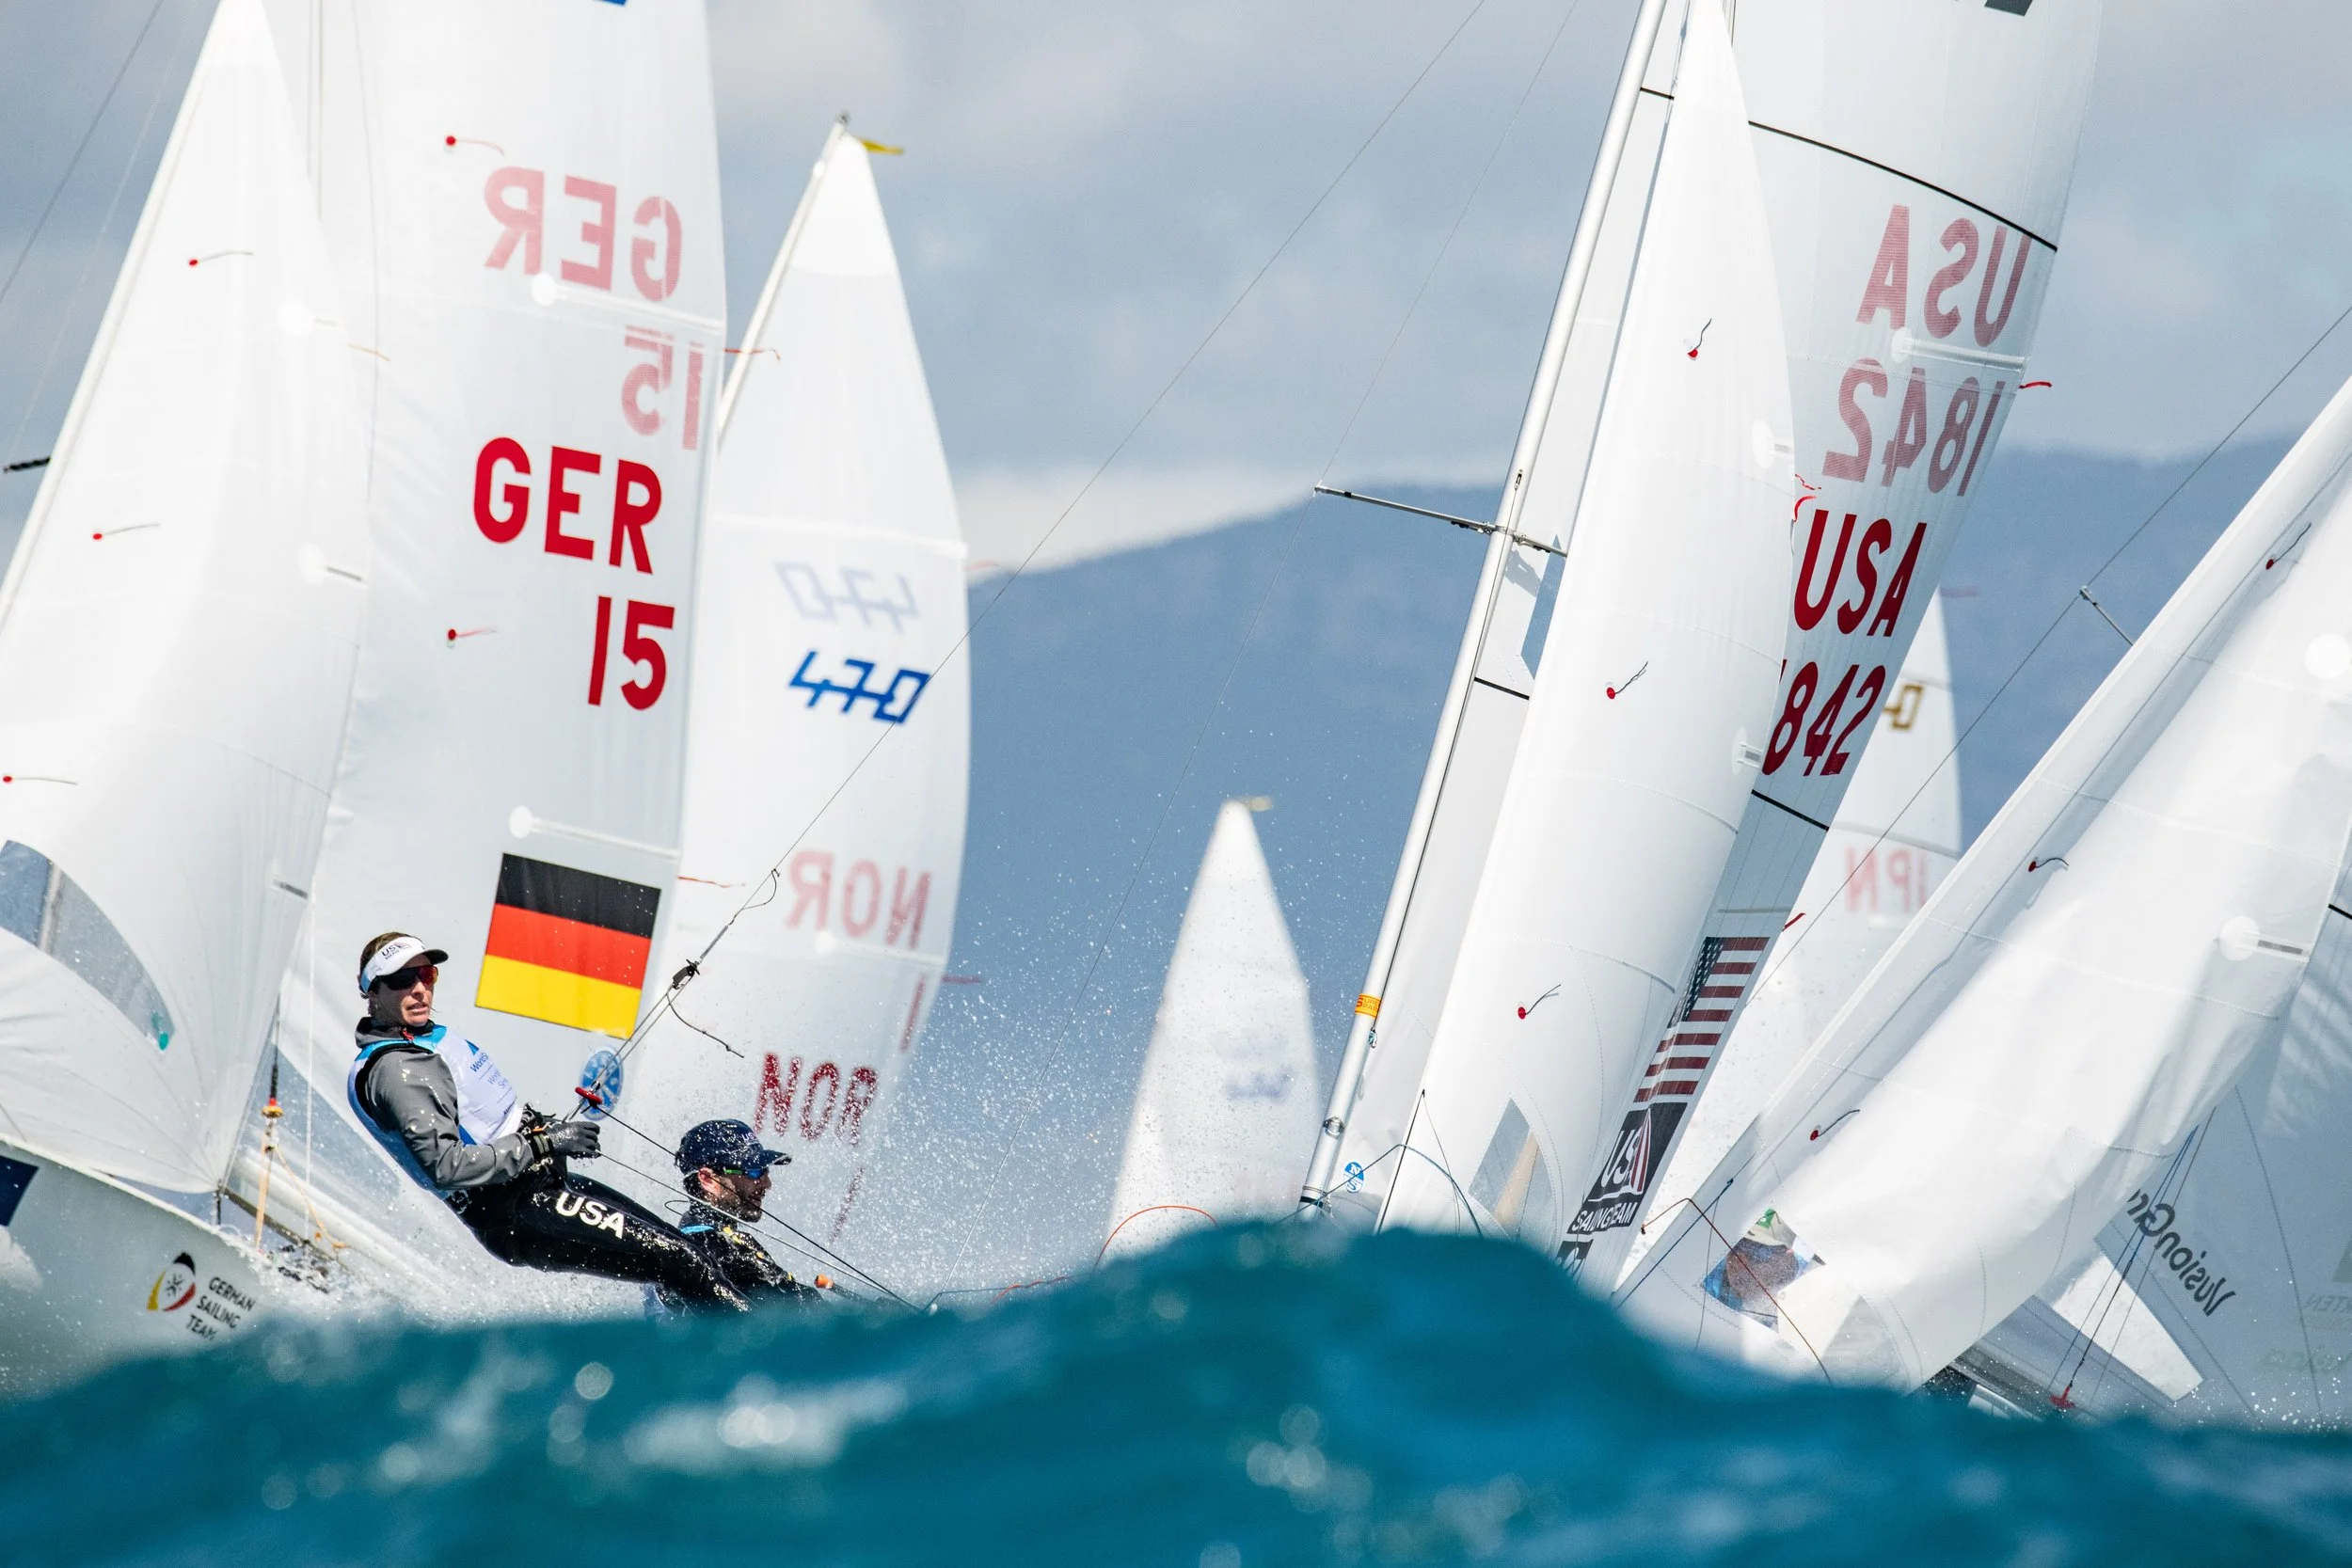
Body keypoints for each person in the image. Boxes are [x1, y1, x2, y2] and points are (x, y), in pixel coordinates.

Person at [346, 931, 744, 1307]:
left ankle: (724, 1330)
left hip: (538, 1184)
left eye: (425, 974)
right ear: (372, 992)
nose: (419, 989)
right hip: (516, 1210)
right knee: (680, 1262)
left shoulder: (424, 1037)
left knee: (685, 1252)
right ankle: (762, 1348)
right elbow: (447, 1167)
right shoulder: (397, 1069)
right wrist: (543, 1143)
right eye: (400, 980)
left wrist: (537, 1128)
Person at [673, 1119, 818, 1304]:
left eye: (765, 1170)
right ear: (708, 1179)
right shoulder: (713, 1250)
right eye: (753, 1171)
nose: (767, 1184)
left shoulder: (704, 1237)